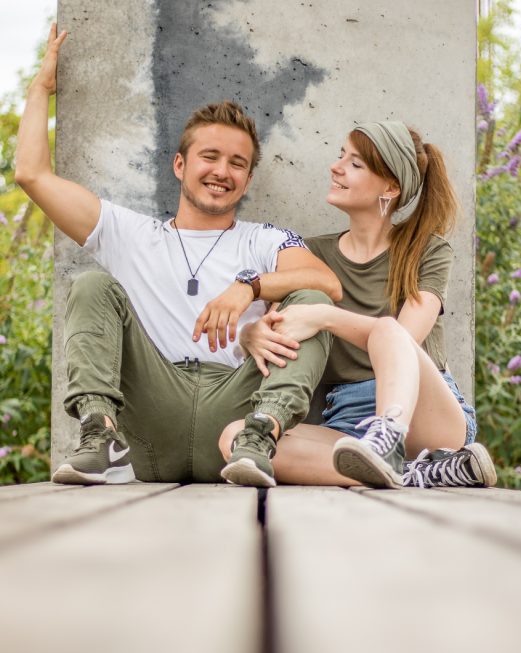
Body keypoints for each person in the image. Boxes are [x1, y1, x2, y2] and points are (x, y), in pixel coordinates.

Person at [15, 24, 341, 487]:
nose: (221, 172)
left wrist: (246, 287)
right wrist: (41, 87)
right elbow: (31, 174)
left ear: (247, 180)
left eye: (237, 164)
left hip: (234, 421)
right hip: (151, 415)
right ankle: (100, 435)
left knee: (311, 300)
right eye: (210, 156)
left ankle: (263, 432)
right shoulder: (129, 232)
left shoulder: (264, 240)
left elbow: (326, 283)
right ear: (180, 165)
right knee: (91, 284)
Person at [219, 121, 497, 489]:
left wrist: (324, 315)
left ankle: (390, 442)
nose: (336, 168)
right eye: (340, 157)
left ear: (391, 187)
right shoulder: (312, 254)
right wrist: (251, 335)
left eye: (355, 164)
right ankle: (417, 474)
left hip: (425, 415)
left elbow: (404, 338)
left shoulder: (427, 251)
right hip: (348, 423)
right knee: (236, 437)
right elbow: (281, 327)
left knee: (388, 329)